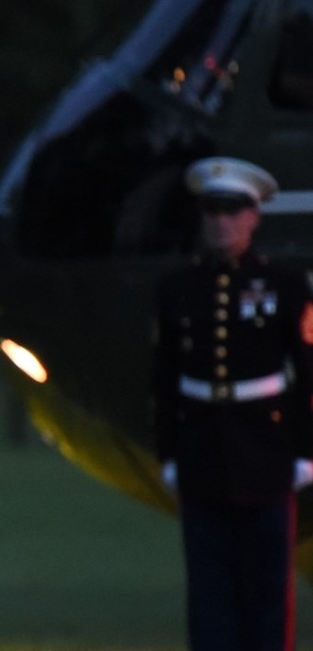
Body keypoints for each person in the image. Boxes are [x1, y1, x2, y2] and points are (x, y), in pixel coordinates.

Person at [152, 156, 313, 651]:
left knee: (266, 592)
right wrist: (169, 453)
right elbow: (164, 378)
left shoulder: (285, 285)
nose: (222, 221)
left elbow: (307, 371)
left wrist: (305, 451)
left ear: (254, 216)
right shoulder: (178, 288)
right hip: (203, 453)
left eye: (233, 209)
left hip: (265, 452)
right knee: (210, 594)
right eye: (212, 210)